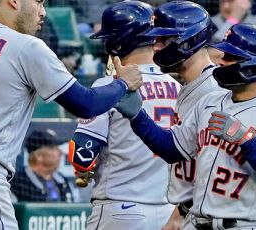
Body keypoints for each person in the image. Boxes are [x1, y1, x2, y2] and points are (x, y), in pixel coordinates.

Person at [0, 0, 143, 229]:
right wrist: (123, 84)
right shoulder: (25, 46)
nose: (43, 12)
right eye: (39, 2)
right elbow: (86, 104)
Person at [115, 23, 256, 229]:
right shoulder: (210, 101)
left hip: (244, 225)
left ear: (254, 66)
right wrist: (138, 116)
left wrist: (246, 141)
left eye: (231, 57)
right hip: (196, 222)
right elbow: (172, 148)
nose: (221, 60)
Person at [68, 1, 179, 229]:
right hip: (169, 213)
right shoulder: (178, 88)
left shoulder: (111, 86)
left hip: (121, 210)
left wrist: (83, 170)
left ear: (117, 43)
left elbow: (83, 154)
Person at [141, 2, 223, 230]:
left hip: (208, 216)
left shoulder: (213, 91)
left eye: (163, 40)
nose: (155, 47)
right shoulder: (190, 84)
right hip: (192, 211)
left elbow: (215, 166)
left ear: (189, 40)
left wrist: (181, 213)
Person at [10, 130, 73, 202]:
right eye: (53, 148)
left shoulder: (62, 181)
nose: (60, 152)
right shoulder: (18, 182)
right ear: (38, 156)